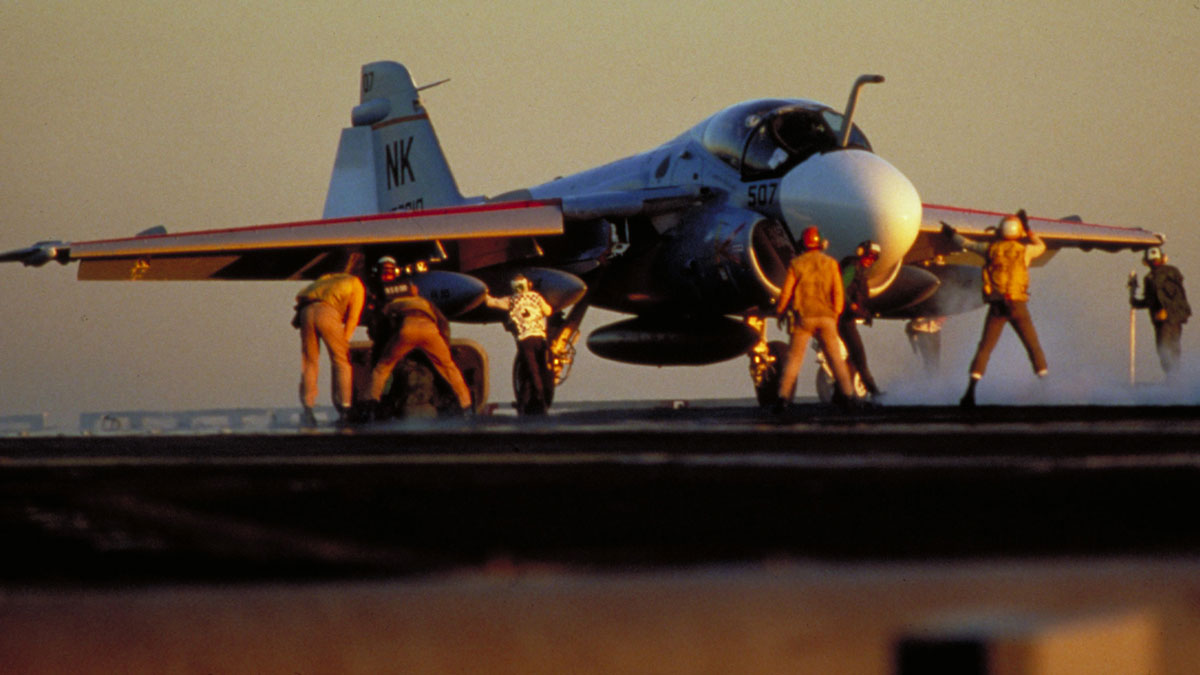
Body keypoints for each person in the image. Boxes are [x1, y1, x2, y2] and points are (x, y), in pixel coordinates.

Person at [943, 210, 1048, 407]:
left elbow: (966, 244)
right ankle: (1046, 387)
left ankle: (970, 392)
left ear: (1000, 230)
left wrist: (951, 233)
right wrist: (1028, 230)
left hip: (997, 306)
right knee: (1033, 346)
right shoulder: (1025, 251)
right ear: (1018, 232)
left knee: (985, 348)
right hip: (1018, 305)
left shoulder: (990, 249)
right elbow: (1041, 246)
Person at [364, 258, 473, 419]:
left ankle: (371, 403)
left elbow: (381, 323)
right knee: (449, 368)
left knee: (382, 367)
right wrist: (445, 346)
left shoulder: (393, 300)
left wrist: (384, 343)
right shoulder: (425, 302)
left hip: (407, 329)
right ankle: (466, 405)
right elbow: (443, 324)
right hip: (430, 330)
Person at [774, 225, 856, 410]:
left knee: (794, 360)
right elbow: (838, 293)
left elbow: (786, 293)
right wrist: (835, 315)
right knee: (836, 359)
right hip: (827, 317)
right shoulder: (831, 264)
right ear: (822, 243)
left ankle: (783, 399)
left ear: (803, 244)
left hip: (804, 318)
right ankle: (848, 396)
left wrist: (780, 311)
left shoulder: (796, 264)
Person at [292, 272, 365, 427]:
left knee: (309, 362)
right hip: (328, 312)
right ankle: (345, 409)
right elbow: (353, 317)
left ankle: (308, 410)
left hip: (306, 312)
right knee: (341, 362)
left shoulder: (325, 279)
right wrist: (345, 340)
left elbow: (303, 300)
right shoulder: (356, 283)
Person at [485, 274, 555, 414]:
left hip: (524, 340)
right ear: (528, 285)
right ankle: (538, 400)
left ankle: (535, 400)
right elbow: (549, 311)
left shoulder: (511, 301)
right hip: (540, 339)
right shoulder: (536, 297)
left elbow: (491, 303)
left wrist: (484, 292)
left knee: (531, 370)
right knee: (542, 369)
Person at [1130, 246, 1191, 376]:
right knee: (1168, 349)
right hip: (1168, 320)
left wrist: (1165, 310)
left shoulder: (1162, 275)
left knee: (1166, 349)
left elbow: (1172, 296)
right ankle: (1173, 379)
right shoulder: (1153, 277)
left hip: (1169, 320)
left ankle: (1173, 380)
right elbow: (1149, 301)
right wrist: (1133, 295)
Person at [838, 240, 882, 398]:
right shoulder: (852, 268)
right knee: (858, 355)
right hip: (842, 318)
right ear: (861, 253)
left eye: (874, 258)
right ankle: (874, 391)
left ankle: (841, 393)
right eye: (869, 256)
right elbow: (840, 288)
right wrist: (851, 305)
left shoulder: (858, 270)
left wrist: (864, 313)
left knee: (853, 356)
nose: (870, 260)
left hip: (845, 317)